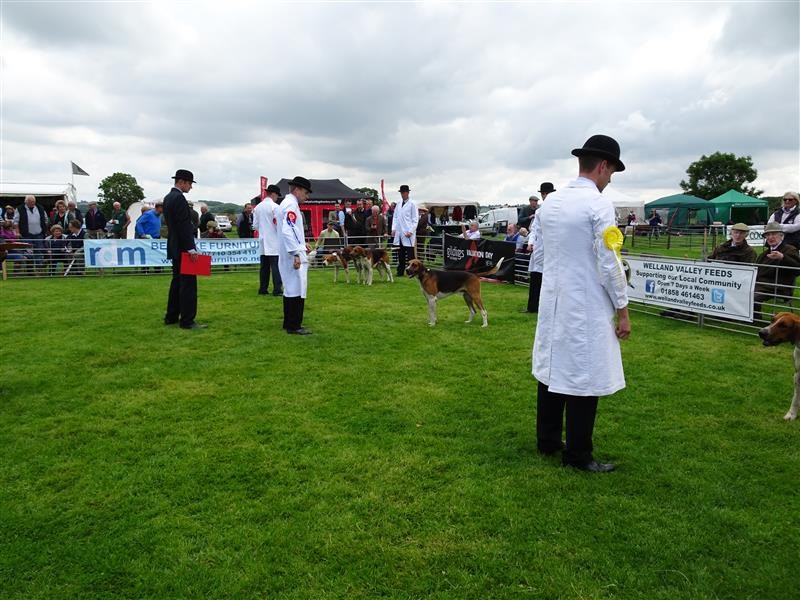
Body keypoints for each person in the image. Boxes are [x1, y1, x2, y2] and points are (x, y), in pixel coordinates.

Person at [532, 134, 630, 473]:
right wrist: (623, 309)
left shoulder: (550, 204)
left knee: (552, 364)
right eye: (611, 172)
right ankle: (578, 453)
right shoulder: (598, 204)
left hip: (553, 297)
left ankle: (547, 439)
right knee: (585, 371)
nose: (610, 179)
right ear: (603, 166)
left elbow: (540, 254)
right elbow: (609, 262)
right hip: (585, 299)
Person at [163, 169, 206, 329]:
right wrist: (190, 248)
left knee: (176, 282)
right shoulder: (179, 198)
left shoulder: (168, 197)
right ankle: (187, 320)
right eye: (189, 184)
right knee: (188, 285)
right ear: (182, 182)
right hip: (183, 247)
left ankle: (171, 316)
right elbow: (183, 226)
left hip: (174, 245)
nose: (191, 187)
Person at [278, 176, 313, 335]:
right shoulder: (291, 205)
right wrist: (296, 253)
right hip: (291, 254)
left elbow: (292, 230)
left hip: (288, 251)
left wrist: (302, 244)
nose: (307, 196)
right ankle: (294, 325)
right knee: (297, 287)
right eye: (306, 192)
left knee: (290, 288)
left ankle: (289, 322)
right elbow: (289, 229)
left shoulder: (286, 204)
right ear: (297, 190)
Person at [753, 221, 800, 321]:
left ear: (781, 236)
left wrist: (783, 258)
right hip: (762, 285)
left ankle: (755, 319)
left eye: (774, 234)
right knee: (742, 291)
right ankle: (748, 317)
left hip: (779, 286)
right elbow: (756, 270)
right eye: (768, 235)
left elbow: (797, 269)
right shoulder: (764, 254)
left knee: (753, 295)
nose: (770, 237)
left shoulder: (790, 250)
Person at [252, 184, 283, 296]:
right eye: (277, 195)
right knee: (276, 267)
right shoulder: (275, 207)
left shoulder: (257, 207)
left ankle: (263, 289)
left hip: (262, 240)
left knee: (264, 267)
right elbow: (279, 224)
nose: (277, 198)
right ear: (273, 194)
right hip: (274, 241)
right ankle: (277, 289)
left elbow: (255, 225)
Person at [13, 195, 48, 270]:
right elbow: (15, 222)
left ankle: (39, 269)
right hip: (26, 235)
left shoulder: (40, 208)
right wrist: (17, 232)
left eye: (33, 201)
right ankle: (30, 270)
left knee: (39, 251)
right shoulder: (19, 208)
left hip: (39, 234)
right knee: (28, 253)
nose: (32, 203)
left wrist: (44, 229)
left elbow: (45, 219)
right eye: (30, 202)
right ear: (25, 202)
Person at [391, 185, 418, 276]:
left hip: (408, 233)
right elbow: (395, 217)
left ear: (408, 193)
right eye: (401, 193)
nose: (402, 194)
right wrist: (393, 229)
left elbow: (415, 219)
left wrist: (411, 231)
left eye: (404, 192)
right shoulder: (398, 204)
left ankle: (413, 272)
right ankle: (400, 271)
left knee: (410, 255)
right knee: (400, 254)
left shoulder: (412, 204)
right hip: (399, 233)